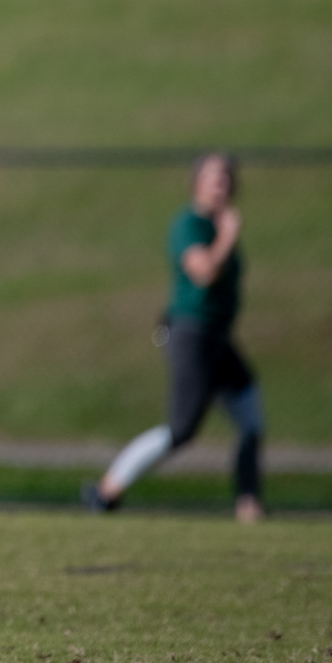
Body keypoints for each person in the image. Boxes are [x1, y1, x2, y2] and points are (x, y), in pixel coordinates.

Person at [86, 153, 265, 522]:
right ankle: (106, 490)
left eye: (227, 178)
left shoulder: (216, 225)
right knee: (181, 429)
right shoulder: (190, 224)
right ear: (196, 182)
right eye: (215, 178)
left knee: (250, 420)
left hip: (218, 338)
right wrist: (228, 236)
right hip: (187, 333)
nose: (223, 185)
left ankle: (249, 504)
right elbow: (203, 272)